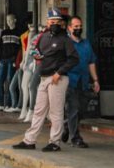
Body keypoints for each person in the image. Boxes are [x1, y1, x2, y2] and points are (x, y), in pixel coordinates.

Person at [13, 8, 79, 152]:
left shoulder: (65, 39)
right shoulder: (43, 37)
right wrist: (37, 57)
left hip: (58, 79)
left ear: (61, 23)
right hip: (44, 76)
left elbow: (74, 59)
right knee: (38, 110)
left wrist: (59, 72)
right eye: (52, 21)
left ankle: (55, 142)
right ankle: (29, 140)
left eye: (57, 21)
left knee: (56, 112)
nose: (54, 23)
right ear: (47, 22)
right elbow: (35, 51)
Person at [63, 16, 100, 148]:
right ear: (69, 28)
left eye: (80, 26)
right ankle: (75, 138)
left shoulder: (86, 43)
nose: (78, 29)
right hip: (70, 80)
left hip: (84, 81)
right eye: (76, 27)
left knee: (82, 110)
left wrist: (95, 80)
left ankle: (67, 125)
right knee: (74, 108)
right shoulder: (66, 43)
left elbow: (91, 62)